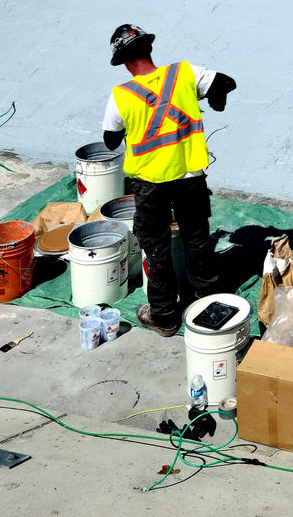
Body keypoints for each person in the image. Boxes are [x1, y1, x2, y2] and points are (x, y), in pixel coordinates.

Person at [101, 24, 236, 336]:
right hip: (189, 176)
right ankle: (208, 301)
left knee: (156, 247)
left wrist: (133, 124)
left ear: (123, 61)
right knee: (197, 237)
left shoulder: (121, 96)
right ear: (148, 48)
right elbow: (226, 82)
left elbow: (110, 142)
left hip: (150, 183)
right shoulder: (184, 74)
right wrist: (218, 97)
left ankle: (163, 314)